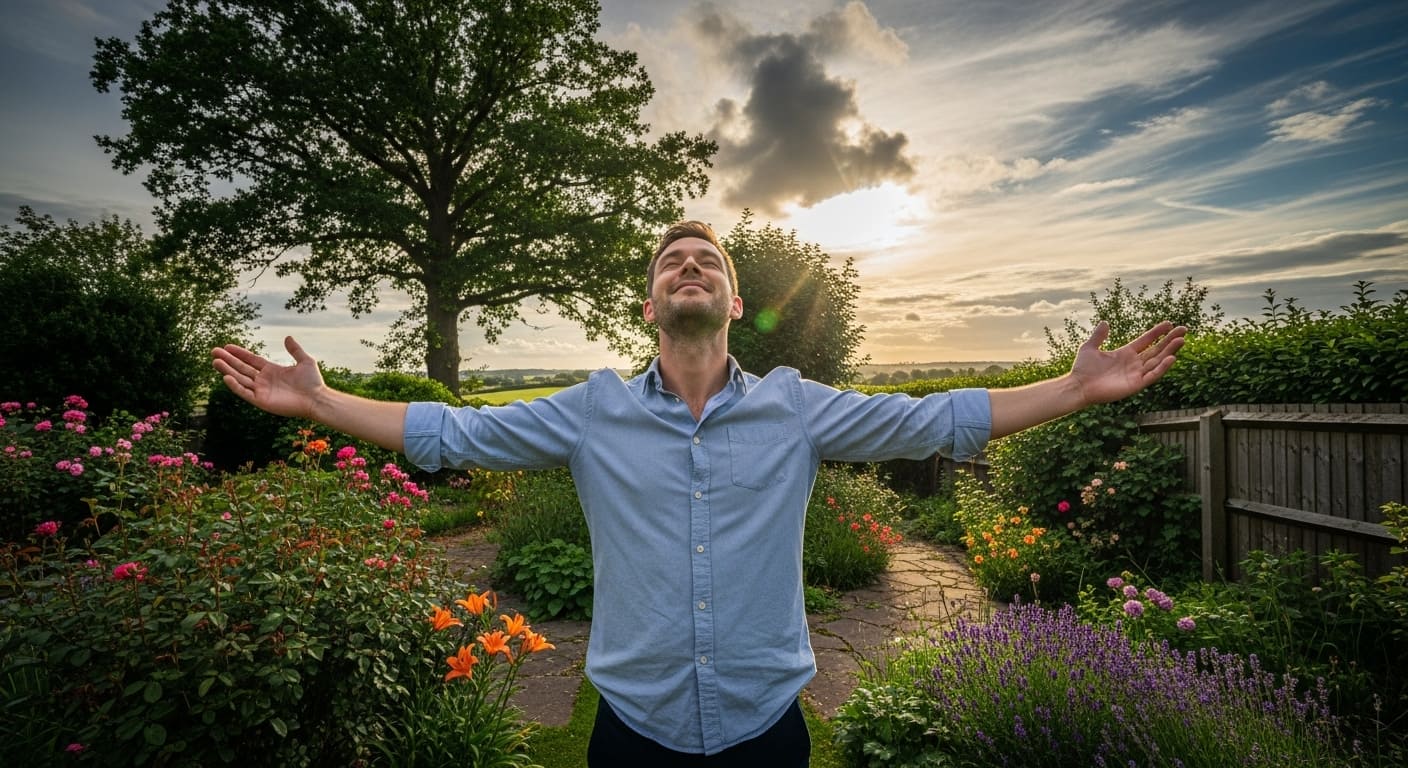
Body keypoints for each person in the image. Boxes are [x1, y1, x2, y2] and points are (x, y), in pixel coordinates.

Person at [212, 220, 1186, 766]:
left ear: (728, 301)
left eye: (707, 262)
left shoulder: (797, 409)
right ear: (648, 305)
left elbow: (934, 419)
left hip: (769, 737)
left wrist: (1072, 388)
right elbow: (450, 432)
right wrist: (324, 401)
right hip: (631, 740)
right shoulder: (589, 411)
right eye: (671, 262)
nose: (690, 266)